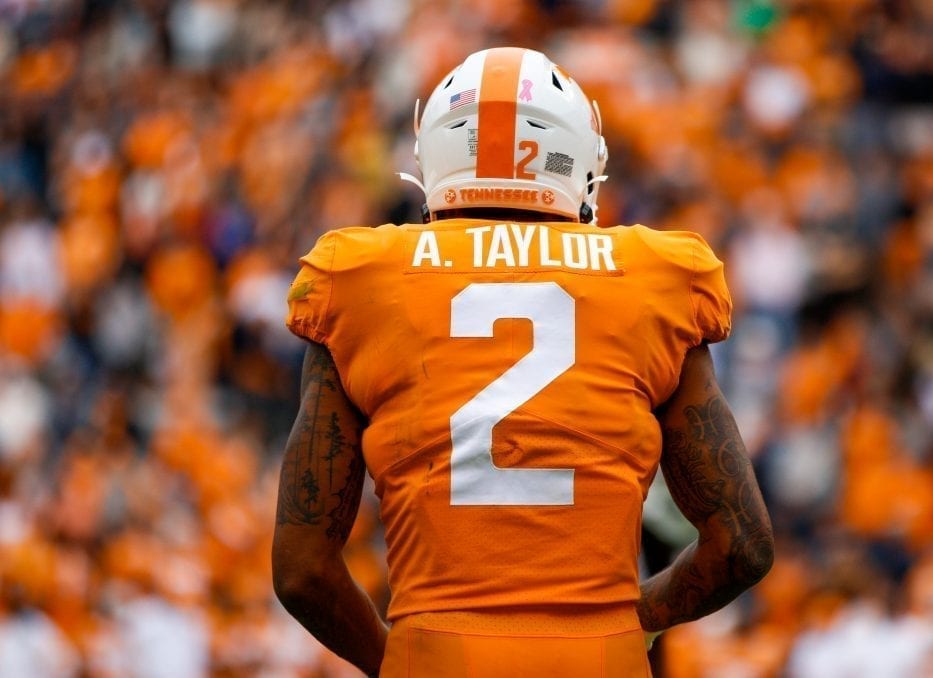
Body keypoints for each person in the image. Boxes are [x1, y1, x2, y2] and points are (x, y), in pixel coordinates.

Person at [271, 46, 773, 677]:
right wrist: (629, 622)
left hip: (435, 653)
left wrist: (400, 661)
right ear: (577, 160)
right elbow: (743, 546)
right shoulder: (654, 276)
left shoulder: (360, 277)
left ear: (436, 157)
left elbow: (302, 571)